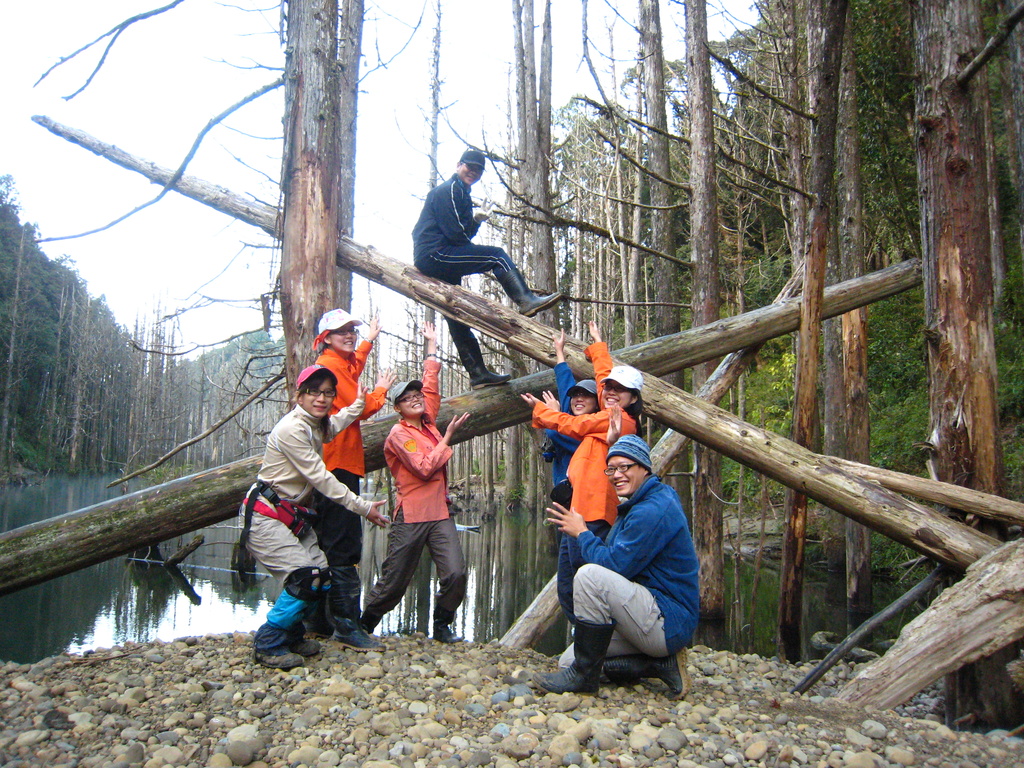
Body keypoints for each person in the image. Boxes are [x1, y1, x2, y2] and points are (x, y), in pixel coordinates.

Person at [533, 426, 699, 700]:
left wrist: (582, 533)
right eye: (611, 469)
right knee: (569, 660)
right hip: (649, 615)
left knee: (589, 576)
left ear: (644, 467)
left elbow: (613, 566)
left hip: (667, 620)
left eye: (625, 467)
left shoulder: (652, 510)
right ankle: (659, 664)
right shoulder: (643, 500)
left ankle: (584, 679)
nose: (617, 475)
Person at [240, 365, 389, 669]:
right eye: (313, 392)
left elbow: (335, 425)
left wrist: (359, 405)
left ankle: (292, 634)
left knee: (321, 574)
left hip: (291, 517)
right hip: (265, 516)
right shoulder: (292, 429)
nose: (321, 398)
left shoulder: (316, 424)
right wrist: (363, 507)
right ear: (300, 396)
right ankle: (268, 642)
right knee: (304, 578)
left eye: (327, 393)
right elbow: (321, 478)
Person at [521, 321, 643, 623]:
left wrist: (542, 411)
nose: (610, 392)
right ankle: (584, 639)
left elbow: (574, 425)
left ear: (633, 398)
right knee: (567, 582)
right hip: (578, 510)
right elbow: (603, 377)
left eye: (620, 390)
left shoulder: (619, 419)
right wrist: (598, 346)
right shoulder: (608, 407)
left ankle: (595, 641)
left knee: (583, 580)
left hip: (595, 512)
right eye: (610, 389)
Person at [413, 148, 561, 389]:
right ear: (459, 165)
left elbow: (460, 234)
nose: (473, 172)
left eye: (478, 170)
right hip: (434, 254)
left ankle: (478, 373)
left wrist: (476, 221)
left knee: (456, 313)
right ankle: (525, 300)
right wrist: (473, 230)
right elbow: (456, 236)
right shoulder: (449, 190)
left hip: (439, 254)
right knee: (496, 256)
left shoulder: (461, 193)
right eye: (469, 167)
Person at [361, 321, 472, 643]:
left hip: (440, 513)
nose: (415, 399)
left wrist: (432, 346)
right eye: (407, 398)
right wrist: (447, 438)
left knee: (455, 573)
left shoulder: (428, 422)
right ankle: (363, 625)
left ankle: (442, 625)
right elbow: (423, 468)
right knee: (395, 580)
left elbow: (431, 384)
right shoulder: (399, 434)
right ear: (397, 408)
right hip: (411, 515)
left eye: (416, 395)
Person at [309, 309, 395, 651]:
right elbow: (363, 406)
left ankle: (318, 621)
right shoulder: (330, 367)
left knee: (327, 541)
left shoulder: (336, 364)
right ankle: (346, 625)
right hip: (337, 465)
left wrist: (368, 341)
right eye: (341, 331)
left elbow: (352, 368)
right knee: (343, 543)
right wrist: (381, 390)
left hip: (334, 463)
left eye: (352, 330)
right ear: (326, 338)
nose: (349, 335)